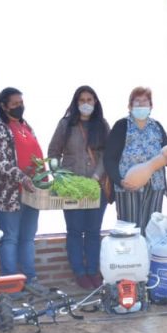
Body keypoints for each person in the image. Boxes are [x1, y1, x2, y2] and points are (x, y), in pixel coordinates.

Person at [47, 85, 111, 290]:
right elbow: (53, 153)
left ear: (95, 102)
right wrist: (59, 177)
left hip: (96, 187)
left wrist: (96, 176)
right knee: (74, 231)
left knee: (93, 231)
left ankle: (93, 271)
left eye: (89, 100)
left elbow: (108, 154)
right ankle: (80, 273)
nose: (85, 104)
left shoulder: (102, 125)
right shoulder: (66, 124)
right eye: (82, 100)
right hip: (71, 189)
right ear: (76, 103)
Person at [0, 87, 45, 292]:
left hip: (30, 192)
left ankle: (30, 280)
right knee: (10, 238)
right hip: (7, 194)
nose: (20, 107)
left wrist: (41, 177)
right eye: (15, 104)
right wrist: (21, 177)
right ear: (4, 106)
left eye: (21, 103)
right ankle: (10, 284)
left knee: (28, 238)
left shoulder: (25, 126)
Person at [104, 86, 167, 234]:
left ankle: (148, 250)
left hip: (155, 186)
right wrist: (120, 180)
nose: (141, 105)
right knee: (130, 230)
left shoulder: (157, 127)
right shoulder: (121, 126)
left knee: (151, 230)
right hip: (128, 185)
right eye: (137, 101)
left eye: (145, 101)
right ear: (130, 106)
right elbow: (109, 158)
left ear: (151, 106)